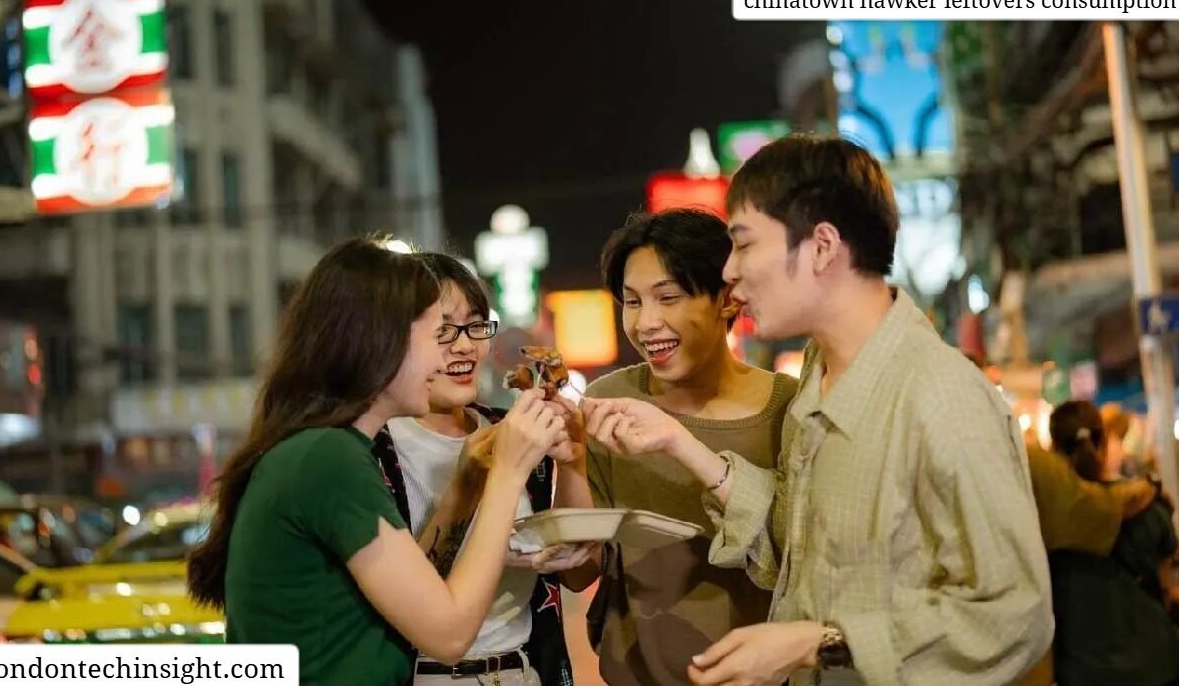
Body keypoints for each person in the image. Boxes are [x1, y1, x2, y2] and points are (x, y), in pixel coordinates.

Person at [582, 135, 1053, 685]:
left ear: (822, 246)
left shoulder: (937, 393)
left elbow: (1014, 613)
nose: (729, 273)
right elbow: (796, 544)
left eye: (745, 244)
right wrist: (683, 446)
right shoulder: (816, 381)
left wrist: (817, 641)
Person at [186, 238, 568, 684]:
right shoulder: (327, 459)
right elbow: (447, 634)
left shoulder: (326, 450)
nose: (449, 355)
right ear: (378, 344)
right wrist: (507, 472)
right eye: (434, 335)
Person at [555, 208, 798, 684]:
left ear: (727, 298)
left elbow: (801, 551)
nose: (647, 323)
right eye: (632, 302)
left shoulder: (789, 409)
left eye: (667, 298)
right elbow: (579, 573)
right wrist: (573, 460)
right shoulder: (608, 403)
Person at [373, 252, 594, 685]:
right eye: (442, 329)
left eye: (476, 325)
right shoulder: (374, 447)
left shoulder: (511, 429)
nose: (464, 345)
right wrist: (472, 485)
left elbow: (579, 574)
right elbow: (407, 601)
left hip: (524, 672)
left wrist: (575, 462)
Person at [1045, 400, 1179, 686]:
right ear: (1104, 442)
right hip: (1155, 663)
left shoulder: (1047, 519)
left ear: (1054, 450)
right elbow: (1169, 579)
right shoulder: (1148, 505)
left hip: (1083, 671)